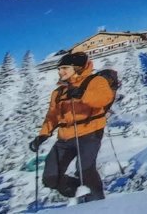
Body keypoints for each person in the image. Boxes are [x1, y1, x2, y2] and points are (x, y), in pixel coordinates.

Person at [31, 51, 115, 204]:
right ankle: (80, 192)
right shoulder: (58, 92)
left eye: (64, 68)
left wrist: (82, 94)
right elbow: (52, 115)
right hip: (64, 138)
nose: (59, 71)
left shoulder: (95, 81)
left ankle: (97, 204)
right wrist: (43, 134)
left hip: (90, 133)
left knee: (85, 170)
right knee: (50, 178)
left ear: (77, 68)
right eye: (59, 68)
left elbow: (105, 98)